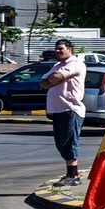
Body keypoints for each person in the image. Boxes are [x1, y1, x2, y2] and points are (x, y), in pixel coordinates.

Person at [44, 39, 87, 184]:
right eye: (56, 49)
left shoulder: (75, 64)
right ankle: (70, 174)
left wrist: (54, 79)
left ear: (69, 49)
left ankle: (73, 176)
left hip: (70, 109)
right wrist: (53, 79)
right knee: (61, 144)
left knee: (69, 143)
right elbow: (43, 83)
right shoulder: (58, 65)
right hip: (57, 110)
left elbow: (55, 77)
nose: (58, 51)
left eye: (61, 49)